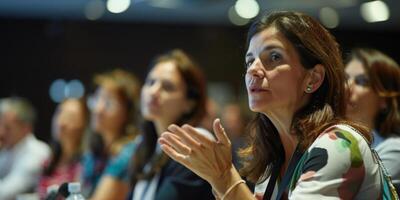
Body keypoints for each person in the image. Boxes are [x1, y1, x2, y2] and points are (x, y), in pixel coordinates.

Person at [158, 11, 398, 199]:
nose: (253, 69)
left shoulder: (339, 146)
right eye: (250, 60)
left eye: (273, 57)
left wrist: (224, 178)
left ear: (312, 78)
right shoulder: (273, 161)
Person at [128, 49, 213, 200]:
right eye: (150, 82)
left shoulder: (193, 144)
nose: (153, 91)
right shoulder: (147, 146)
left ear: (189, 103)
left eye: (167, 87)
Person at [345, 48, 400, 192]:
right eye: (344, 78)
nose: (347, 87)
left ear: (384, 100)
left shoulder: (394, 150)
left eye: (362, 81)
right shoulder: (326, 136)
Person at [81, 69, 140, 199]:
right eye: (96, 99)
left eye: (108, 103)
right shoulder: (94, 151)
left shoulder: (128, 152)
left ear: (127, 113)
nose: (98, 109)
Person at [37, 98, 89, 199]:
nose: (61, 122)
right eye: (59, 113)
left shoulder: (86, 162)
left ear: (83, 124)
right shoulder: (48, 161)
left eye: (70, 117)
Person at [0, 97, 50, 200]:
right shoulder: (7, 149)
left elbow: (5, 193)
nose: (1, 132)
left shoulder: (38, 152)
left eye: (8, 128)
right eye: (1, 126)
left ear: (26, 128)